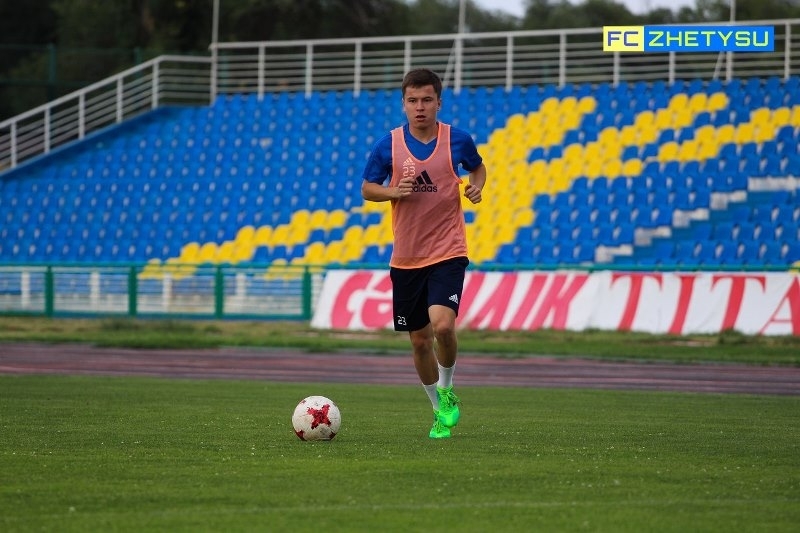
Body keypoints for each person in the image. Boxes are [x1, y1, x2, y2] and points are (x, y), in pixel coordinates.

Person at [361, 68, 487, 439]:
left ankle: (447, 389)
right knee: (419, 340)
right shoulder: (388, 145)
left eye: (427, 100)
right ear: (404, 104)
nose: (420, 107)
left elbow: (478, 167)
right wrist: (392, 192)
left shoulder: (457, 140)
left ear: (438, 103)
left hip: (448, 250)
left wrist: (476, 187)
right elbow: (368, 188)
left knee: (443, 326)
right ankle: (438, 409)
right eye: (413, 100)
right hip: (406, 258)